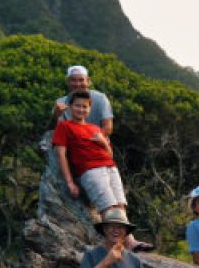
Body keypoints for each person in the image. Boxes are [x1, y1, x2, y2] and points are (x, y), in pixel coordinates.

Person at [52, 91, 151, 252]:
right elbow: (61, 154)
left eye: (85, 106)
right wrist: (70, 182)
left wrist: (103, 142)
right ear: (70, 107)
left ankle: (130, 242)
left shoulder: (95, 128)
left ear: (90, 109)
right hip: (90, 169)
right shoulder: (65, 126)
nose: (81, 109)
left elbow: (109, 154)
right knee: (108, 207)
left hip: (110, 166)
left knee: (120, 204)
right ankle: (117, 246)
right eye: (77, 106)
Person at [51, 65, 113, 136]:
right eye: (73, 80)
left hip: (97, 140)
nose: (77, 84)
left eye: (81, 80)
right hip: (70, 141)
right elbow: (53, 130)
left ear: (88, 81)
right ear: (67, 82)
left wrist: (87, 141)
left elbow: (108, 127)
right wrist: (55, 116)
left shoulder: (100, 98)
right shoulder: (60, 102)